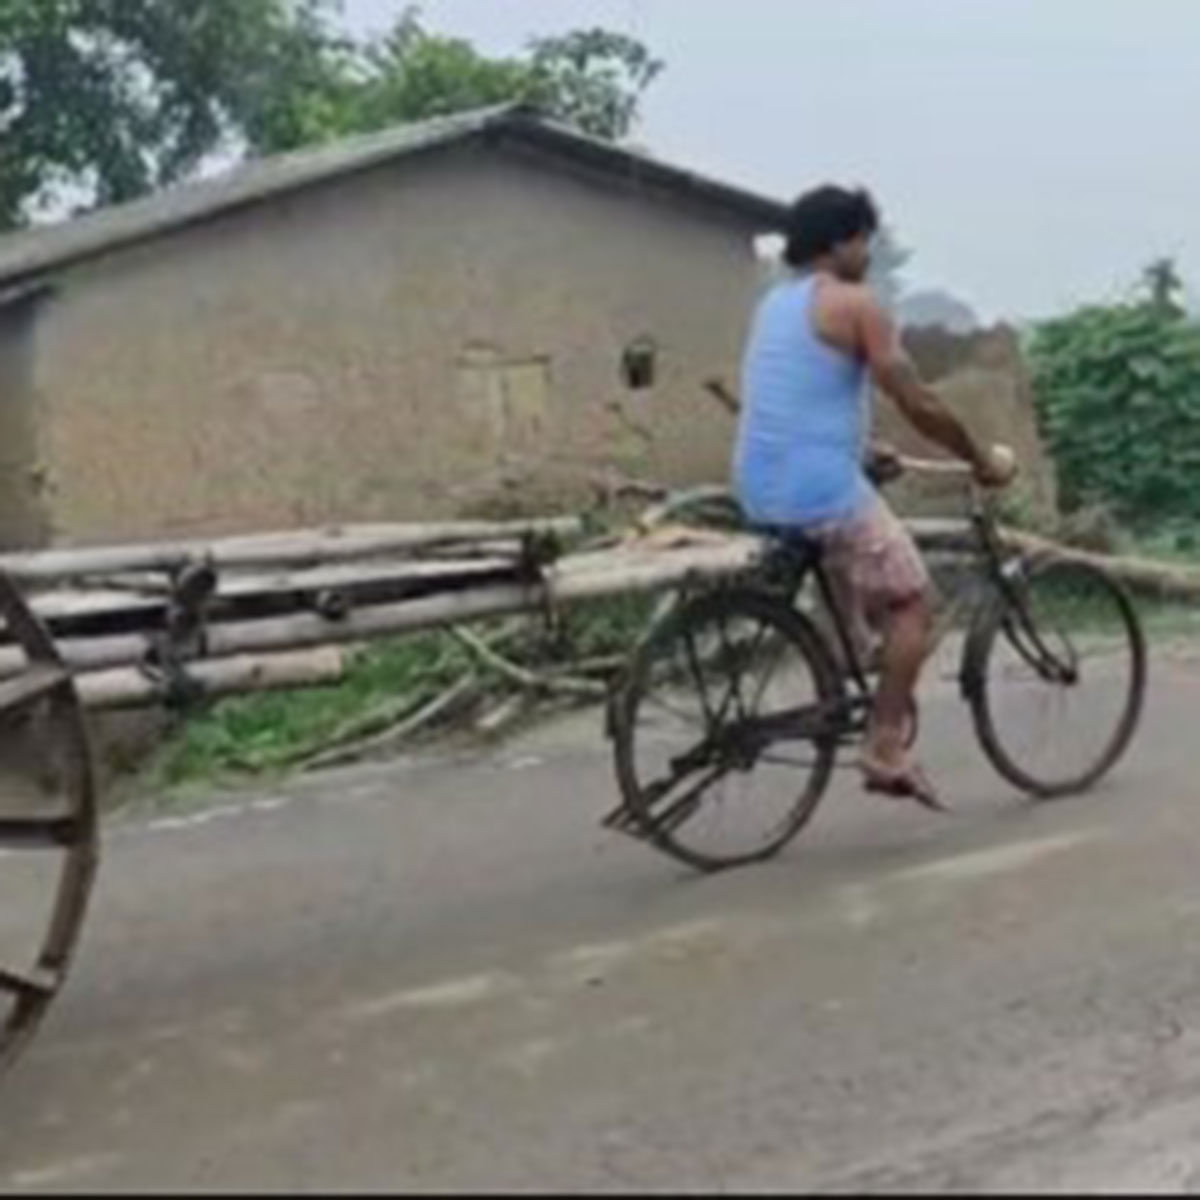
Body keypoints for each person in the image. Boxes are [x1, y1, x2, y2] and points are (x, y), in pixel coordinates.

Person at [733, 185, 1014, 809]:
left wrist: (861, 453)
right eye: (865, 237)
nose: (870, 249)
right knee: (914, 603)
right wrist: (978, 458)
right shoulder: (857, 305)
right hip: (819, 491)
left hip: (759, 486)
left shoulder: (775, 305)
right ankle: (885, 746)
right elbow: (915, 400)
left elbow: (796, 400)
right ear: (841, 242)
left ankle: (844, 681)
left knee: (854, 596)